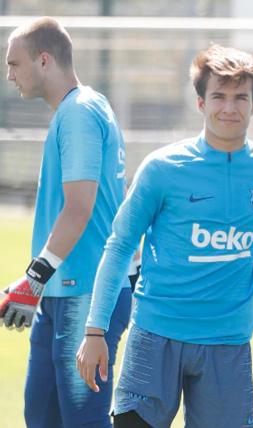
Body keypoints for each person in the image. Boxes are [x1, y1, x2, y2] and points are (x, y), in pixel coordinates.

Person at [76, 44, 253, 428]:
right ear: (201, 103)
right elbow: (120, 245)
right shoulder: (163, 168)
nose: (229, 107)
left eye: (241, 97)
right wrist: (95, 329)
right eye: (218, 96)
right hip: (156, 334)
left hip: (227, 341)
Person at [1, 17, 133, 428]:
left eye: (14, 64)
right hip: (60, 291)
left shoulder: (78, 112)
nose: (9, 75)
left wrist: (33, 279)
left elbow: (80, 207)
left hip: (86, 294)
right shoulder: (75, 110)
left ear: (44, 60)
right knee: (41, 416)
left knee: (82, 421)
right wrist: (34, 285)